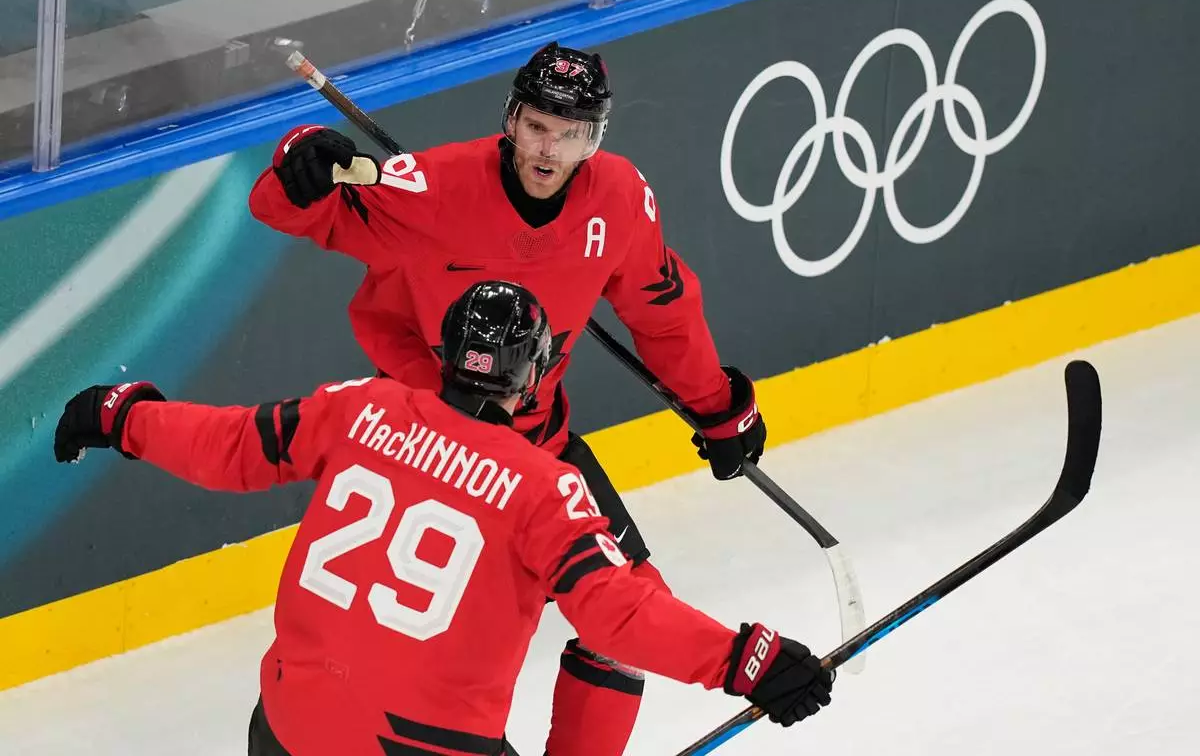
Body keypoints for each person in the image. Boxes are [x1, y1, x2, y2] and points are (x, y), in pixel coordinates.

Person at [248, 42, 769, 755]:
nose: (549, 148)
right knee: (412, 653)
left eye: (572, 132)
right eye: (535, 126)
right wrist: (299, 159)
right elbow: (295, 211)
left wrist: (715, 404)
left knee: (629, 628)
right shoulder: (430, 189)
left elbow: (662, 311)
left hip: (535, 448)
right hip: (427, 445)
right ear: (510, 120)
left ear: (597, 137)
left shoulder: (617, 200)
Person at [53, 281, 833, 756]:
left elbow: (229, 448)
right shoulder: (545, 485)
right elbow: (619, 616)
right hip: (423, 751)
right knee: (611, 655)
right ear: (533, 377)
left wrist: (126, 417)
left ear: (445, 350)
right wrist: (746, 660)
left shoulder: (359, 408)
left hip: (286, 730)